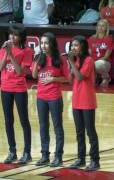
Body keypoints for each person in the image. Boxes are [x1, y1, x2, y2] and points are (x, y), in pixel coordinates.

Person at [0, 24, 33, 165]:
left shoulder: (27, 51)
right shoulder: (4, 48)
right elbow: (0, 67)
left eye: (15, 35)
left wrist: (11, 54)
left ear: (21, 37)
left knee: (24, 120)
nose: (12, 37)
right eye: (11, 34)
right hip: (5, 88)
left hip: (19, 89)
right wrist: (6, 52)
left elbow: (19, 72)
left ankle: (27, 152)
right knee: (8, 120)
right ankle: (12, 151)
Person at [31, 32, 68, 167]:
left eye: (46, 43)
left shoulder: (59, 59)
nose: (43, 46)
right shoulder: (39, 58)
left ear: (52, 44)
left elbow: (67, 78)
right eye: (41, 43)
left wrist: (53, 79)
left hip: (54, 97)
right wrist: (35, 60)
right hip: (41, 97)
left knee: (57, 127)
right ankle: (45, 155)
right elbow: (34, 75)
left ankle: (58, 156)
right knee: (43, 126)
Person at [67, 35, 100, 171]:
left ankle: (95, 160)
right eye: (72, 45)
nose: (73, 48)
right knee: (79, 132)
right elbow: (70, 80)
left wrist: (71, 62)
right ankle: (80, 158)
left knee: (90, 131)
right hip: (76, 100)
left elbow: (80, 77)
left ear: (82, 46)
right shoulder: (75, 61)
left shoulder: (89, 60)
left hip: (87, 100)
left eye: (76, 45)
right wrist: (71, 63)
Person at [88, 19, 114, 87]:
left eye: (103, 26)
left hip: (104, 63)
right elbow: (89, 54)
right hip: (93, 62)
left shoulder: (109, 39)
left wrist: (94, 62)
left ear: (106, 28)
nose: (100, 27)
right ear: (96, 27)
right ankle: (96, 78)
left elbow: (106, 56)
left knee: (99, 63)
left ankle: (106, 77)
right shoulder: (91, 39)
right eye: (99, 25)